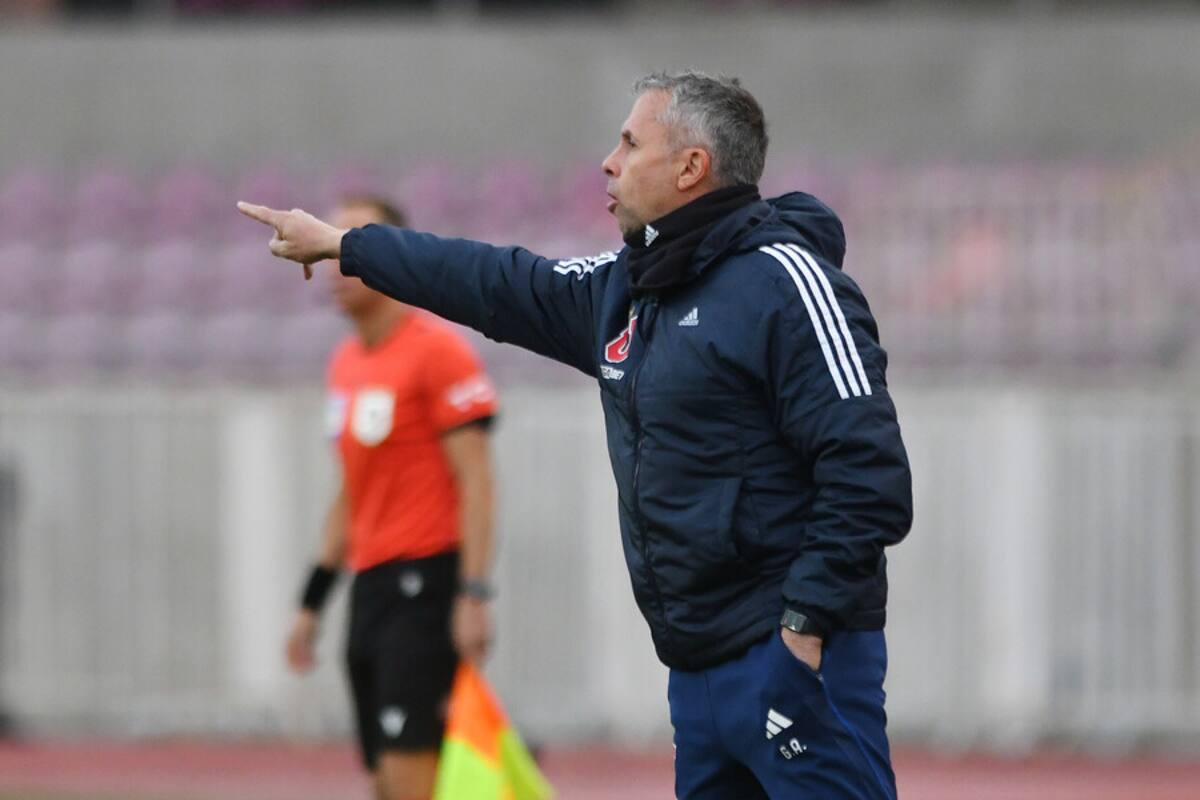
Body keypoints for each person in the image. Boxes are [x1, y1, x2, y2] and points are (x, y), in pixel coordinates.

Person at [243, 71, 913, 800]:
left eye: (630, 142)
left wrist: (804, 627)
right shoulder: (626, 288)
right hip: (696, 669)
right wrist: (347, 246)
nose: (608, 160)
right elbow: (493, 281)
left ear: (691, 167)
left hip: (790, 657)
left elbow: (870, 474)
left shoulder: (787, 281)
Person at [282, 196, 499, 800]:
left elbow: (477, 482)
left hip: (424, 589)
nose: (332, 260)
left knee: (412, 779)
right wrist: (311, 603)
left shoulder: (438, 352)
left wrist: (473, 594)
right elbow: (351, 493)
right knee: (383, 778)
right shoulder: (346, 364)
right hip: (370, 589)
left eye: (349, 240)